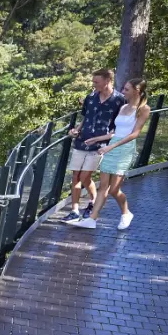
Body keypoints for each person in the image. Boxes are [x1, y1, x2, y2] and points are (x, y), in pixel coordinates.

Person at [68, 78, 148, 231]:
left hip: (124, 149)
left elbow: (134, 134)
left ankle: (126, 213)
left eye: (126, 89)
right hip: (112, 146)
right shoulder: (124, 106)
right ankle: (92, 219)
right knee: (103, 187)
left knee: (113, 190)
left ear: (137, 91)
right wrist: (97, 139)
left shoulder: (143, 109)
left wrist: (112, 147)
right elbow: (115, 132)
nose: (123, 92)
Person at [57, 68, 124, 219]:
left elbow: (120, 127)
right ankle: (74, 211)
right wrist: (75, 130)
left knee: (84, 177)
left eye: (96, 82)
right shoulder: (91, 97)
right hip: (82, 141)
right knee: (76, 176)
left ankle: (93, 201)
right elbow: (85, 118)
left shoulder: (119, 100)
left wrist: (103, 139)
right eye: (93, 81)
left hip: (100, 145)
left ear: (107, 81)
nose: (94, 85)